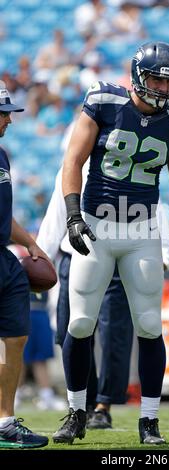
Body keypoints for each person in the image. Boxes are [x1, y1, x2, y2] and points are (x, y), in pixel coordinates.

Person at [51, 41, 169, 446]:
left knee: (150, 325)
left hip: (141, 229)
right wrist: (72, 214)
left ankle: (149, 421)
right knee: (80, 323)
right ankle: (76, 411)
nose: (165, 90)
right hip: (98, 224)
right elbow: (73, 161)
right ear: (137, 75)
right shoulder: (103, 102)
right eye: (157, 80)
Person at [36, 160, 169, 429]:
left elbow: (151, 205)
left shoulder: (131, 162)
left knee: (116, 335)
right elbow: (57, 211)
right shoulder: (74, 165)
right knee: (74, 329)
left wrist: (166, 253)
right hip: (76, 251)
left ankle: (104, 404)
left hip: (121, 257)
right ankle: (80, 405)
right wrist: (42, 256)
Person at [0, 80, 50, 448]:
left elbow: (4, 215)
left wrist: (30, 242)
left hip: (4, 258)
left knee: (14, 338)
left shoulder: (1, 154)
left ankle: (4, 422)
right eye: (3, 114)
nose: (9, 121)